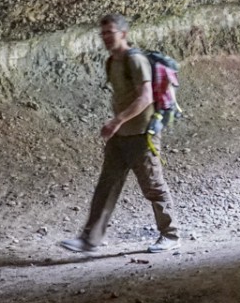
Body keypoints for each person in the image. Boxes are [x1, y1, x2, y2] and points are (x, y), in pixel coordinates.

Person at [60, 13, 181, 254]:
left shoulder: (134, 60)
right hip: (120, 135)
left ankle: (171, 235)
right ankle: (90, 240)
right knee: (107, 185)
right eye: (102, 33)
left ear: (123, 34)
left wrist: (117, 121)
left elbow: (145, 97)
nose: (105, 37)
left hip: (141, 134)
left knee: (153, 185)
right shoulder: (111, 62)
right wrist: (118, 126)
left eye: (110, 32)